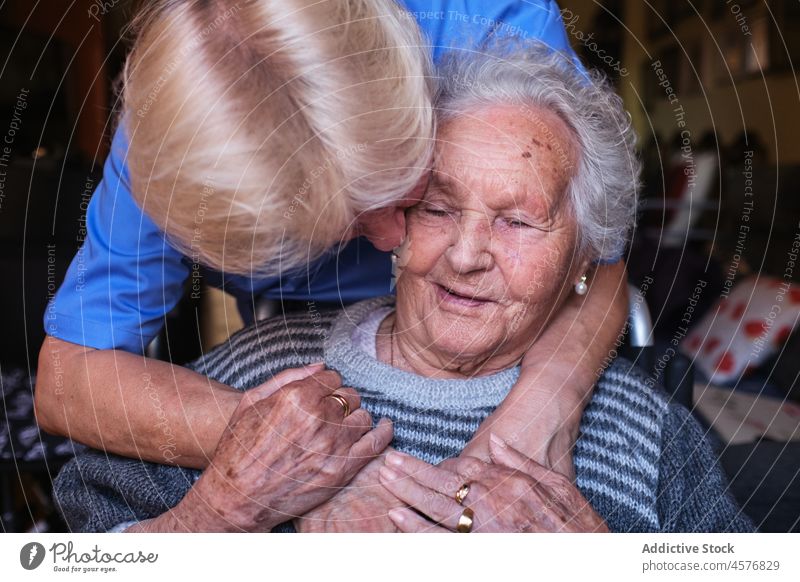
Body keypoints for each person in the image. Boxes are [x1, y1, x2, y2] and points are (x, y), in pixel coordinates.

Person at [54, 41, 751, 533]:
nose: (466, 254)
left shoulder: (642, 432)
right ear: (395, 213)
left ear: (583, 259)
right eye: (439, 209)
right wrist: (218, 514)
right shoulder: (265, 376)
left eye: (516, 221)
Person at [35, 0, 628, 481]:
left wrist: (542, 410)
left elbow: (593, 253)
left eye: (410, 190)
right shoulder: (174, 150)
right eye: (346, 225)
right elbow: (67, 377)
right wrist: (299, 451)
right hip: (300, 350)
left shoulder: (485, 21)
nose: (395, 234)